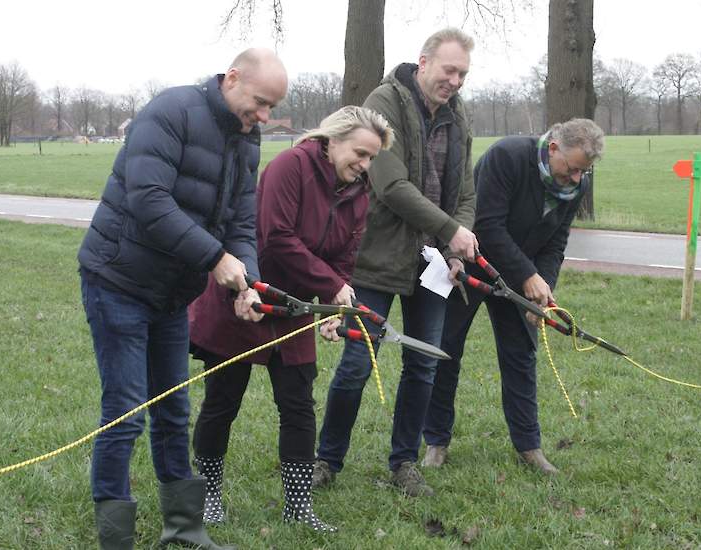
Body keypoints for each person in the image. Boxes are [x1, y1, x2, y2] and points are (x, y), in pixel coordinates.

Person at [77, 48, 287, 549]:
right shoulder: (170, 112)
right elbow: (148, 200)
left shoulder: (246, 139)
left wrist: (248, 284)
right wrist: (216, 261)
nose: (264, 117)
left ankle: (184, 528)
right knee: (126, 410)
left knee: (173, 409)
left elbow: (240, 222)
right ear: (232, 78)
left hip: (172, 293)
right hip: (118, 279)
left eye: (271, 108)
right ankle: (115, 539)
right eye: (259, 103)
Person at [187, 106, 393, 532]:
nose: (364, 164)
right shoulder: (290, 166)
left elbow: (343, 257)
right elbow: (275, 237)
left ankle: (299, 507)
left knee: (299, 404)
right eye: (360, 152)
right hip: (249, 294)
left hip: (296, 308)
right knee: (223, 400)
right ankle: (207, 497)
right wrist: (331, 285)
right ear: (332, 140)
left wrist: (335, 306)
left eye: (372, 157)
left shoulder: (359, 192)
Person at [314, 28, 478, 498]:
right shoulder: (384, 102)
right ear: (423, 63)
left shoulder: (457, 115)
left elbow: (465, 192)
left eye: (463, 73)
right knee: (357, 363)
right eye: (449, 70)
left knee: (423, 363)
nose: (455, 80)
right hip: (376, 256)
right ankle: (328, 459)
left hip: (434, 264)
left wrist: (452, 247)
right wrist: (452, 230)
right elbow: (390, 185)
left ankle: (404, 462)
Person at [420, 118, 605, 475]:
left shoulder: (575, 188)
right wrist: (529, 275)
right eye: (573, 168)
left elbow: (556, 242)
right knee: (446, 350)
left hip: (521, 278)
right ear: (553, 148)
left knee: (521, 355)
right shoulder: (508, 156)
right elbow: (487, 224)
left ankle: (528, 446)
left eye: (585, 172)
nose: (577, 179)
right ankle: (436, 441)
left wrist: (542, 289)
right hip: (469, 264)